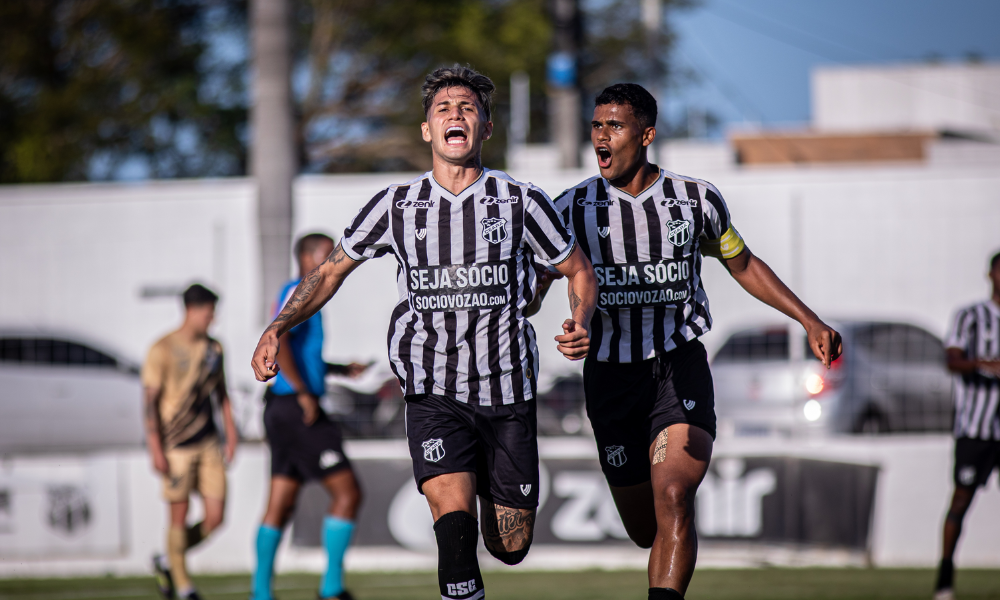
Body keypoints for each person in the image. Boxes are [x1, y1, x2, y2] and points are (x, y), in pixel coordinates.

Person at [250, 65, 598, 600]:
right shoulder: (396, 205)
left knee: (510, 545)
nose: (455, 114)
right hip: (434, 390)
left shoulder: (521, 201)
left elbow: (577, 268)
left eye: (467, 108)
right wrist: (278, 326)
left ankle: (490, 478)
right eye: (443, 109)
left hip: (508, 392)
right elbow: (329, 272)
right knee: (451, 522)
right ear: (426, 130)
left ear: (485, 127)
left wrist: (580, 321)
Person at [545, 83, 841, 600]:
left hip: (677, 365)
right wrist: (566, 324)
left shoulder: (696, 200)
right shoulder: (570, 208)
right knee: (644, 528)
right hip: (610, 378)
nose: (600, 137)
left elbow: (742, 262)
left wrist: (808, 320)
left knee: (676, 496)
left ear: (647, 134)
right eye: (596, 126)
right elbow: (538, 281)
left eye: (614, 126)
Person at [251, 233, 368, 600]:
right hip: (295, 406)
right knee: (348, 492)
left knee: (280, 501)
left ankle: (260, 593)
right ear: (306, 257)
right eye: (325, 252)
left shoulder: (302, 294)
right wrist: (304, 393)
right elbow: (279, 343)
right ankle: (331, 588)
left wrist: (336, 369)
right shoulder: (297, 291)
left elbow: (300, 354)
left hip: (280, 408)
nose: (333, 257)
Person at [144, 284, 238, 600]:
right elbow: (149, 403)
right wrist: (156, 449)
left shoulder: (215, 349)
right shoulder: (162, 349)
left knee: (215, 518)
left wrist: (231, 432)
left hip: (209, 443)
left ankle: (168, 559)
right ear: (192, 310)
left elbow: (222, 394)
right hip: (176, 447)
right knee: (179, 514)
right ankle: (184, 587)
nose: (213, 318)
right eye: (209, 312)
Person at [933, 251, 1000, 600]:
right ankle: (945, 577)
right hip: (976, 428)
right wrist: (986, 364)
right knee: (961, 499)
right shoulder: (972, 316)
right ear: (991, 274)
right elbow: (952, 360)